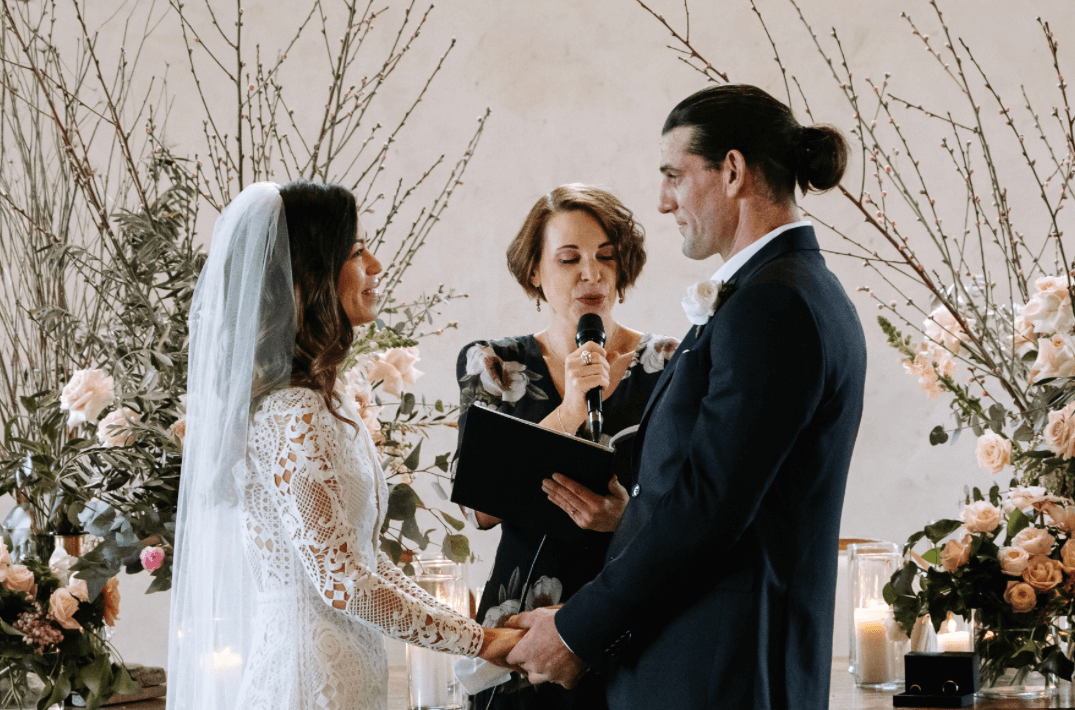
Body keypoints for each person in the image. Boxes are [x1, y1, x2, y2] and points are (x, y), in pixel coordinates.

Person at [505, 85, 868, 710]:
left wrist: (575, 630)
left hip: (720, 674)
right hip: (705, 665)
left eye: (675, 175)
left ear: (732, 171)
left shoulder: (774, 304)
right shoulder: (784, 290)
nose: (663, 200)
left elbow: (709, 507)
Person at [167, 180, 520, 710]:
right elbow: (344, 583)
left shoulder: (321, 400)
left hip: (343, 673)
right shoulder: (294, 412)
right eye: (356, 252)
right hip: (306, 683)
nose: (375, 265)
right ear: (310, 277)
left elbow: (365, 562)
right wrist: (483, 642)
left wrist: (470, 629)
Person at [455, 183, 680, 710]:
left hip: (628, 628)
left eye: (606, 257)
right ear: (535, 271)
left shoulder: (670, 362)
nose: (591, 273)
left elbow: (690, 506)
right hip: (518, 630)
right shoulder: (493, 364)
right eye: (569, 258)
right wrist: (573, 404)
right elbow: (480, 508)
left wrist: (627, 519)